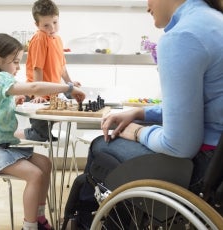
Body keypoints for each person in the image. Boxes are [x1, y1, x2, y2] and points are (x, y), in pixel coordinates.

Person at [85, 0, 223, 194]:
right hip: (218, 162)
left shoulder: (182, 36)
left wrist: (137, 132)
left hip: (207, 171)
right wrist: (141, 113)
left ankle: (81, 222)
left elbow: (179, 146)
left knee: (101, 146)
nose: (147, 6)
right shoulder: (215, 20)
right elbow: (199, 107)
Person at [0, 33, 85, 230]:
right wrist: (68, 87)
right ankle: (29, 226)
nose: (18, 67)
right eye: (15, 62)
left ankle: (39, 219)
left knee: (45, 164)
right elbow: (34, 86)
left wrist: (13, 101)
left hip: (0, 146)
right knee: (35, 175)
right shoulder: (0, 78)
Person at [19, 0, 81, 142]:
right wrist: (37, 94)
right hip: (38, 94)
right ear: (37, 25)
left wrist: (70, 83)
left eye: (55, 22)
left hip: (51, 94)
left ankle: (44, 134)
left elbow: (62, 67)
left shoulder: (57, 39)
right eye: (46, 25)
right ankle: (12, 135)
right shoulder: (40, 38)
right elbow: (37, 68)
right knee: (39, 135)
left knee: (49, 133)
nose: (52, 28)